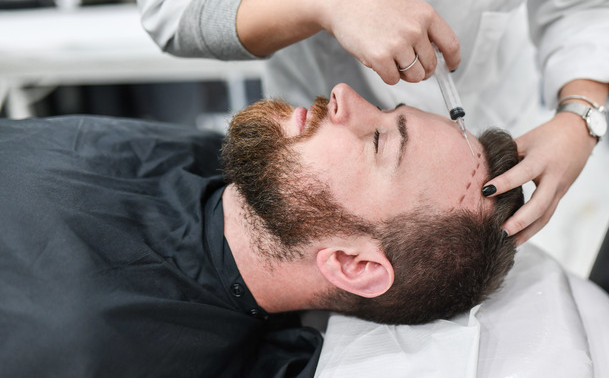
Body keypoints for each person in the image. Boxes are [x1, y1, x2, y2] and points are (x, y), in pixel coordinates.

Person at [134, 0, 609, 243]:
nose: (344, 99)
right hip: (303, 122)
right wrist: (323, 1)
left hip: (496, 98)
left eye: (391, 136)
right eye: (389, 133)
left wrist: (580, 116)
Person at [0, 83, 524, 377]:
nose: (345, 94)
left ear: (353, 264)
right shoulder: (220, 162)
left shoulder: (90, 347)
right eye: (387, 109)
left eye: (379, 142)